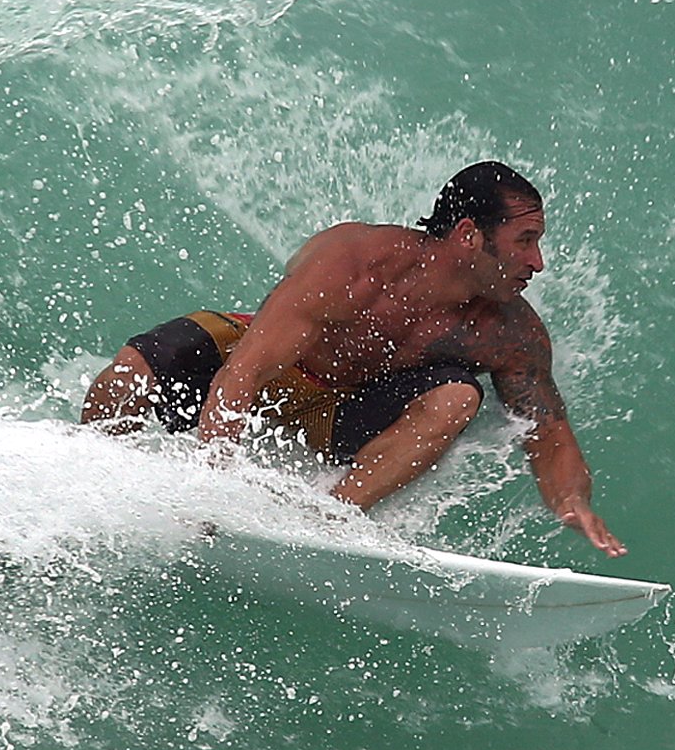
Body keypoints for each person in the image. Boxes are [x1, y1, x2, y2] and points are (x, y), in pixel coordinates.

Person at [80, 161, 624, 556]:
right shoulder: (356, 262)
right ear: (468, 236)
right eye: (525, 240)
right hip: (267, 370)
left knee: (458, 396)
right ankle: (94, 479)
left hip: (339, 415)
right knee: (128, 375)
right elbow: (244, 371)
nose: (538, 261)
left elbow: (549, 432)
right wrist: (210, 490)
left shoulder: (510, 333)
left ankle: (318, 520)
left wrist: (571, 500)